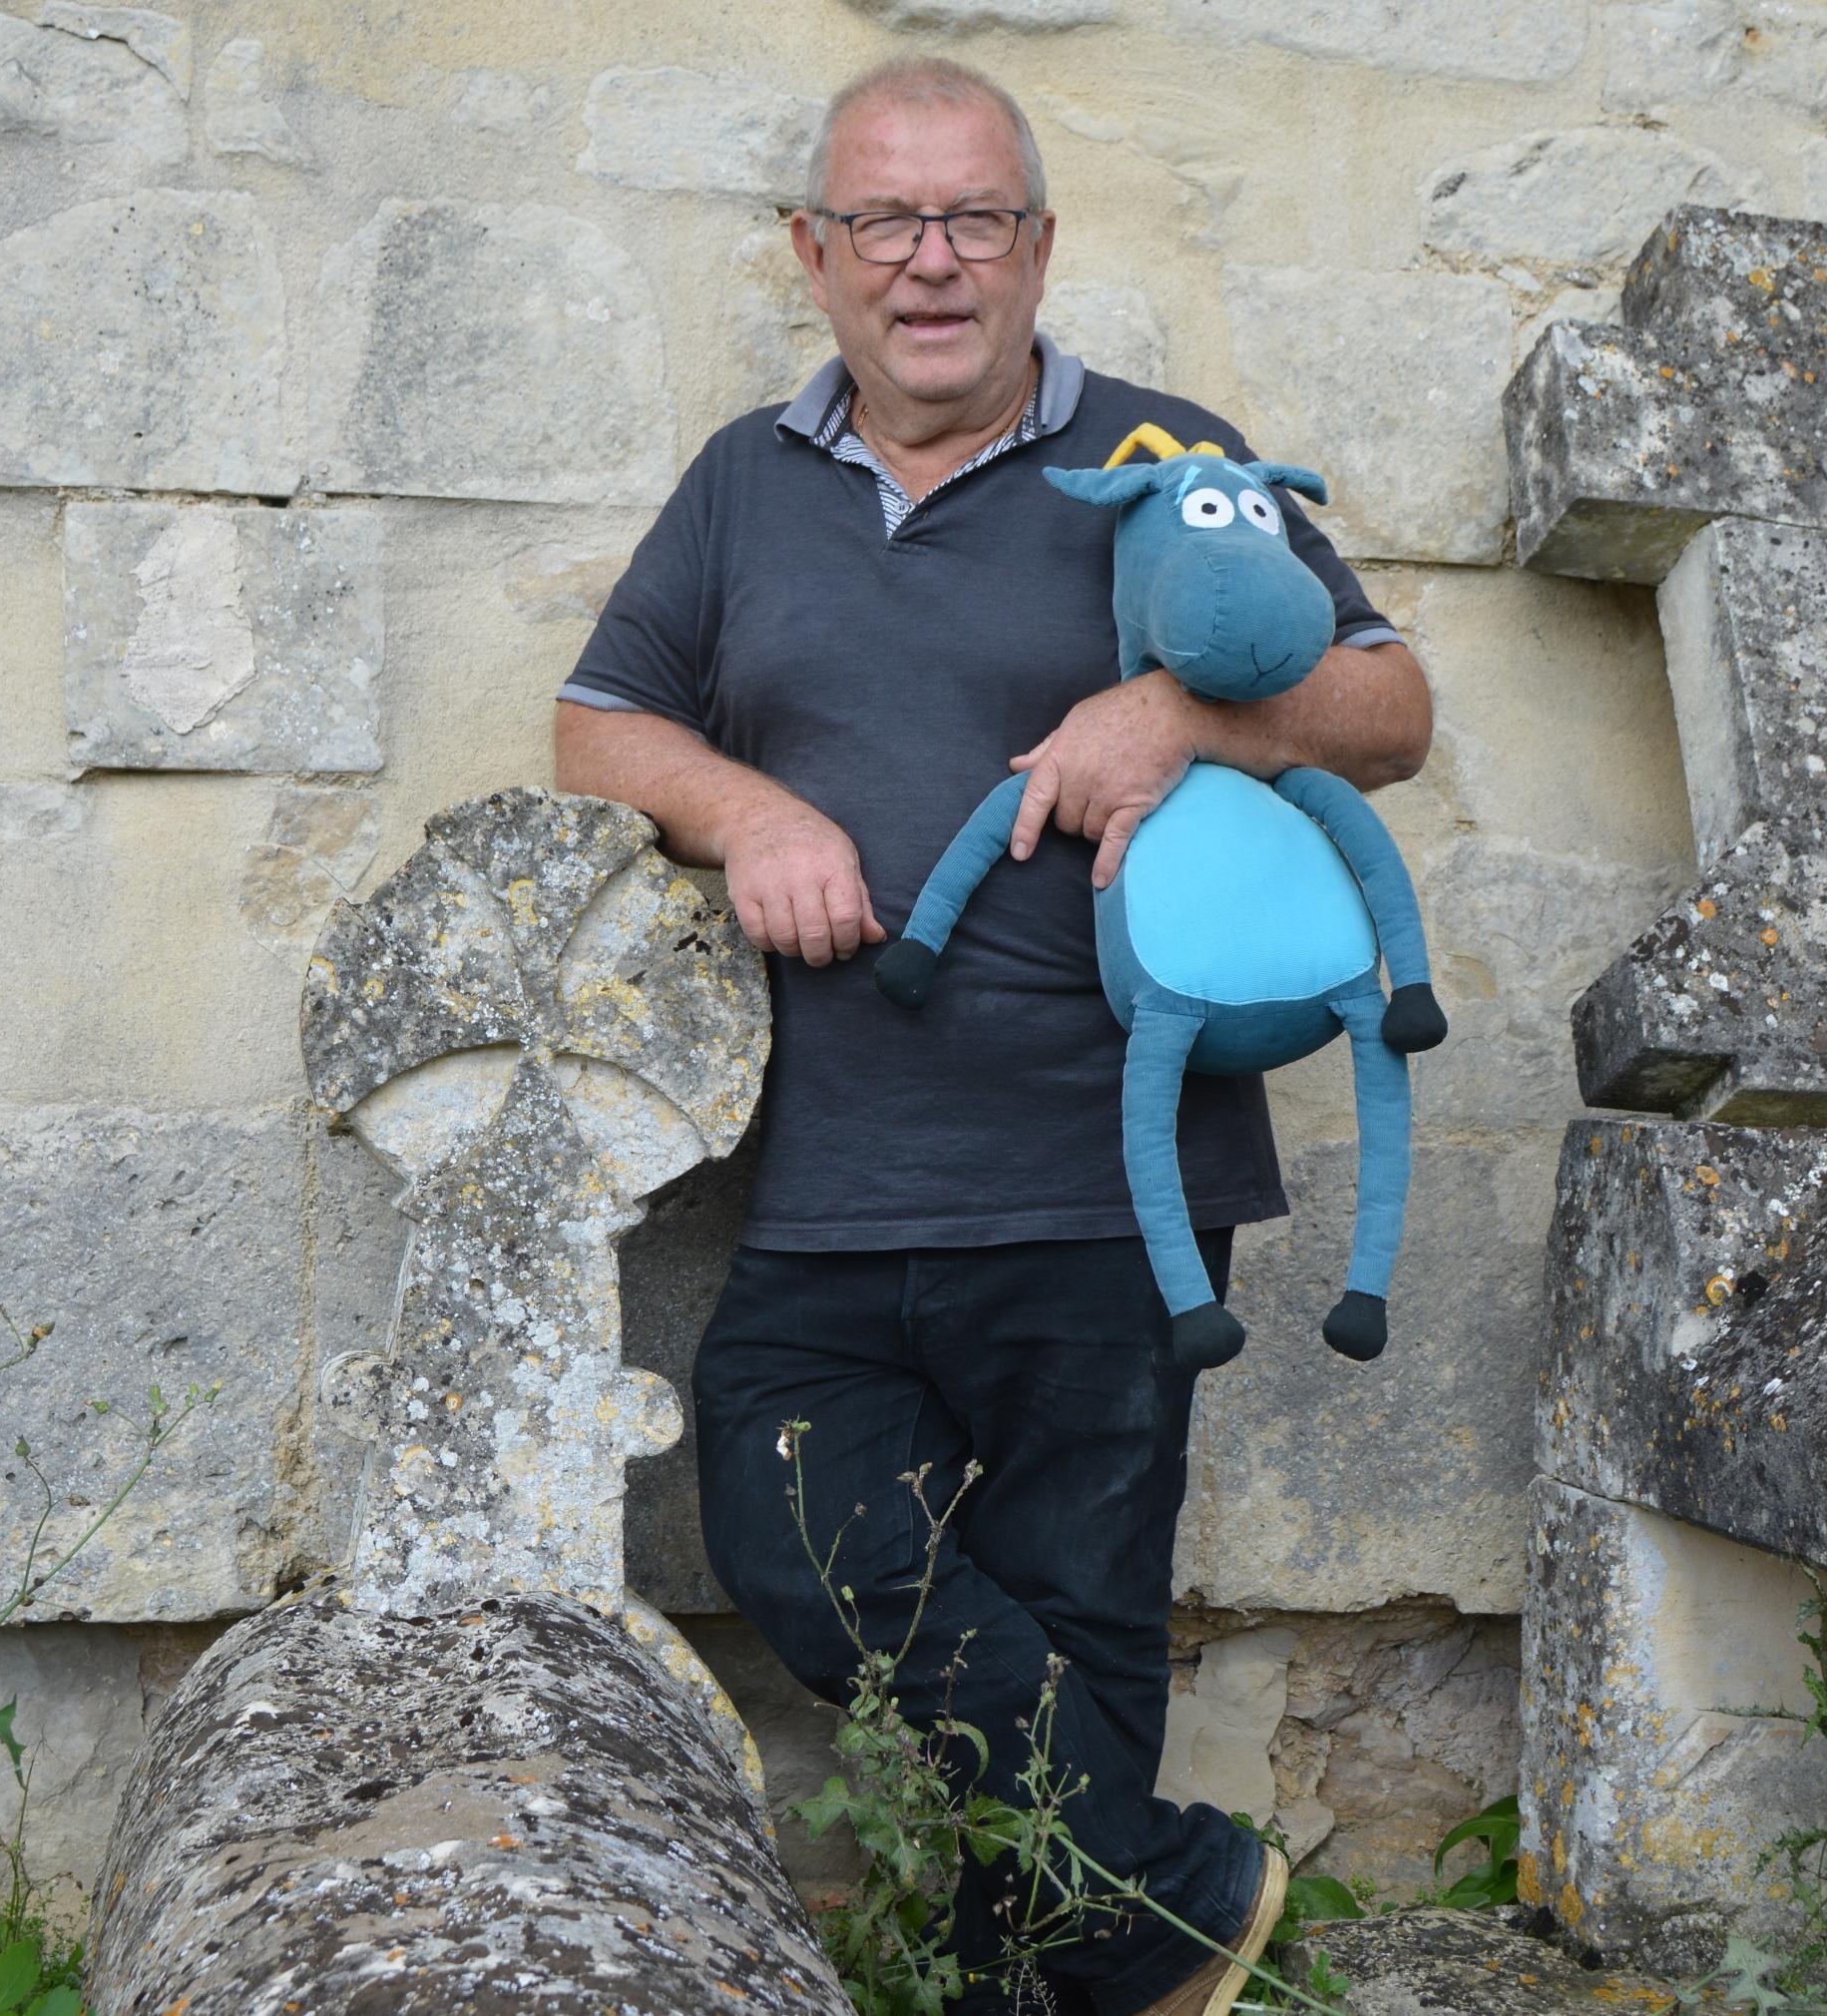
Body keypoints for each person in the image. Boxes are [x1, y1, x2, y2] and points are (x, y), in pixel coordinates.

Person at [554, 54, 1431, 2016]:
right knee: (785, 1512)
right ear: (815, 253)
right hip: (832, 1169)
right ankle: (1167, 1885)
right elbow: (598, 723)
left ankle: (1050, 1974)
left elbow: (1388, 706)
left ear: (1038, 245)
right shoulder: (742, 483)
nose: (929, 261)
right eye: (887, 218)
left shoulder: (1163, 453)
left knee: (1079, 1612)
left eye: (973, 218)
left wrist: (1182, 714)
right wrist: (744, 810)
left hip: (1111, 1176)